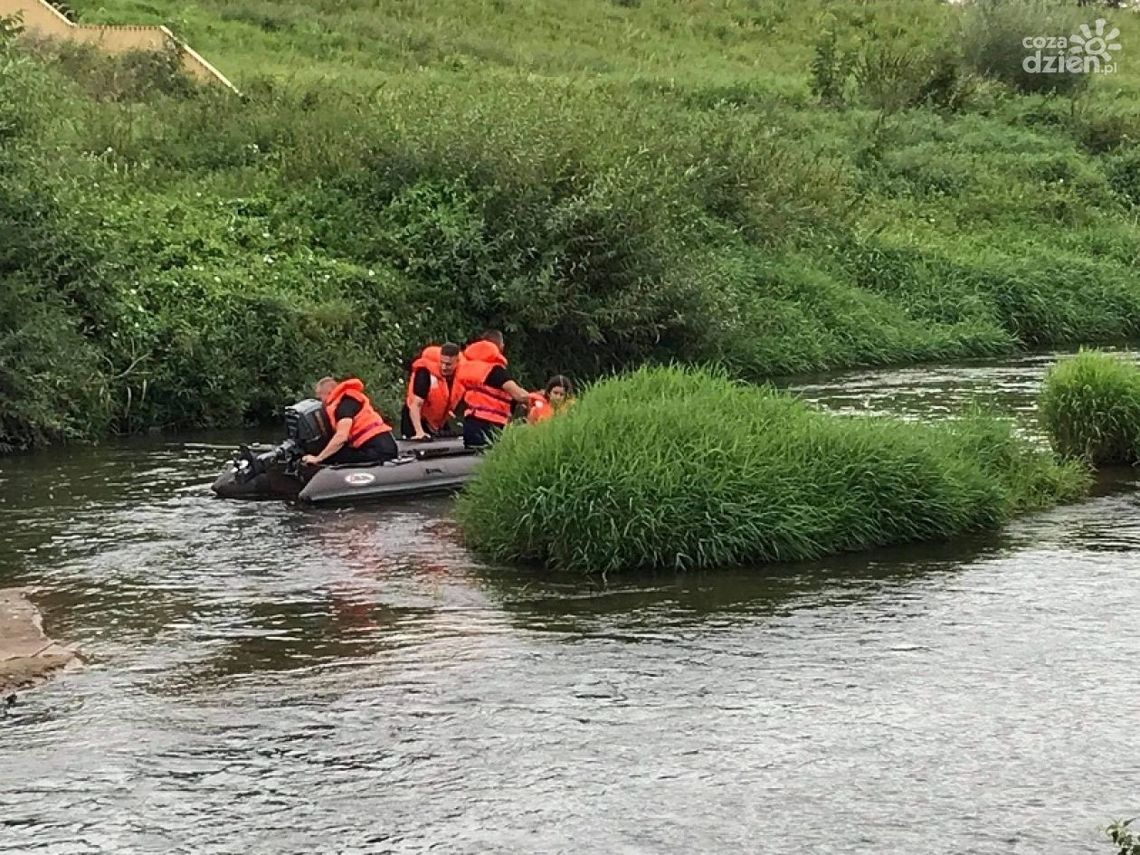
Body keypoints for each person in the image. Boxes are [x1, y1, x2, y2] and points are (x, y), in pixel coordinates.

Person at [451, 330, 531, 448]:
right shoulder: (495, 371)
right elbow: (520, 395)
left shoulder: (471, 367)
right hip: (488, 426)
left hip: (471, 422)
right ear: (499, 346)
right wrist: (539, 399)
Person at [301, 376, 398, 466]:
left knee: (332, 457)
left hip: (379, 451)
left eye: (320, 397)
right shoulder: (348, 399)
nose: (321, 402)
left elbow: (341, 437)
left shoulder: (343, 407)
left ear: (329, 393)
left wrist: (318, 458)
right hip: (381, 445)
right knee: (338, 452)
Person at [401, 343, 462, 440]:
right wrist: (419, 432)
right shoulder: (424, 373)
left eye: (448, 364)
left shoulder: (461, 375)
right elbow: (416, 405)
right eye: (441, 362)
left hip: (437, 421)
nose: (443, 367)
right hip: (417, 417)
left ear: (457, 362)